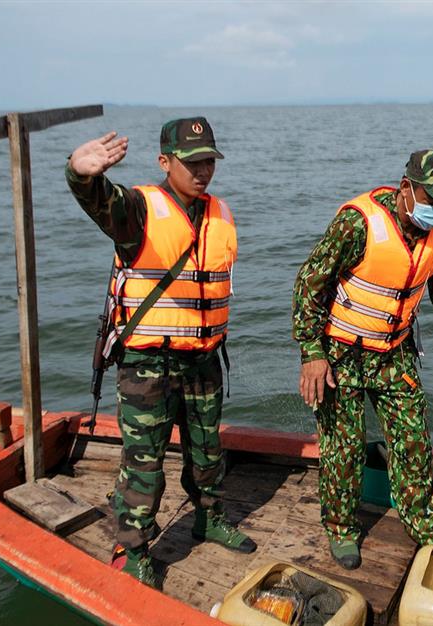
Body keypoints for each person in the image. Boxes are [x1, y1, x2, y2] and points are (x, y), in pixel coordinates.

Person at [66, 117, 256, 588]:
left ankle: (208, 517)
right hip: (148, 365)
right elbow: (101, 203)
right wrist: (80, 174)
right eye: (192, 161)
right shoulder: (138, 210)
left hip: (203, 359)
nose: (202, 170)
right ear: (164, 162)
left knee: (207, 451)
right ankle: (133, 550)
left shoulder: (219, 212)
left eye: (209, 160)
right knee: (143, 462)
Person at [292, 150, 433, 570]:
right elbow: (309, 284)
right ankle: (341, 528)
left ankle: (425, 530)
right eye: (429, 198)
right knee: (343, 444)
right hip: (340, 351)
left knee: (413, 440)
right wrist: (311, 353)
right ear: (405, 188)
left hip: (393, 351)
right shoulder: (357, 223)